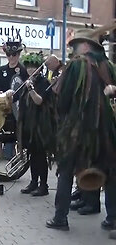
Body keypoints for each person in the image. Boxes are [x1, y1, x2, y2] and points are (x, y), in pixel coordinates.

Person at [45, 26, 116, 232]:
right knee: (111, 172)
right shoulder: (109, 66)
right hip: (106, 129)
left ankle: (60, 218)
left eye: (75, 45)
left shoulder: (76, 66)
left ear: (85, 45)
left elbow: (64, 101)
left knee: (66, 171)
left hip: (77, 129)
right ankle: (112, 218)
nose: (74, 49)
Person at [17, 52, 57, 196]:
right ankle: (33, 182)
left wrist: (31, 89)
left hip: (40, 126)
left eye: (33, 67)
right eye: (28, 67)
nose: (30, 70)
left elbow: (39, 101)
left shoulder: (43, 82)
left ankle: (43, 185)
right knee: (32, 156)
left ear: (39, 69)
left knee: (40, 156)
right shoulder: (26, 81)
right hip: (29, 125)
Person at [0, 39, 29, 170]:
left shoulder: (24, 71)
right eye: (9, 55)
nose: (11, 57)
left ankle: (16, 167)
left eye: (14, 55)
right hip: (3, 110)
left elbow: (25, 90)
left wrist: (14, 96)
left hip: (17, 110)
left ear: (19, 55)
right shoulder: (1, 70)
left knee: (18, 140)